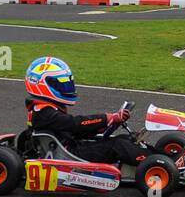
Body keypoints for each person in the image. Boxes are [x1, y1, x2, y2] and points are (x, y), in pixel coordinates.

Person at [23, 56, 155, 166]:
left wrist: (102, 127)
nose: (66, 87)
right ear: (42, 85)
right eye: (61, 83)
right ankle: (156, 164)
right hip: (69, 154)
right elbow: (75, 124)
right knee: (117, 145)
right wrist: (107, 118)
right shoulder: (44, 113)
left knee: (124, 139)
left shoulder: (45, 108)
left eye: (67, 82)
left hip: (70, 146)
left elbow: (74, 131)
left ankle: (160, 156)